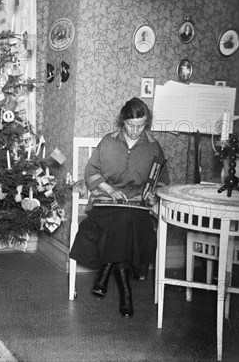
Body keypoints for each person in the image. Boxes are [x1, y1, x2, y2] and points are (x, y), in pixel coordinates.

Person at [69, 98, 169, 318]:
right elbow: (91, 172)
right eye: (131, 125)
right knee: (121, 220)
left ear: (146, 123)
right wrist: (110, 191)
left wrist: (152, 193)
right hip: (106, 203)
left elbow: (162, 179)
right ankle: (126, 293)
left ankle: (105, 272)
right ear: (123, 121)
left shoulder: (153, 146)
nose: (135, 130)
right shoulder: (108, 142)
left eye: (141, 125)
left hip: (136, 207)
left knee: (125, 220)